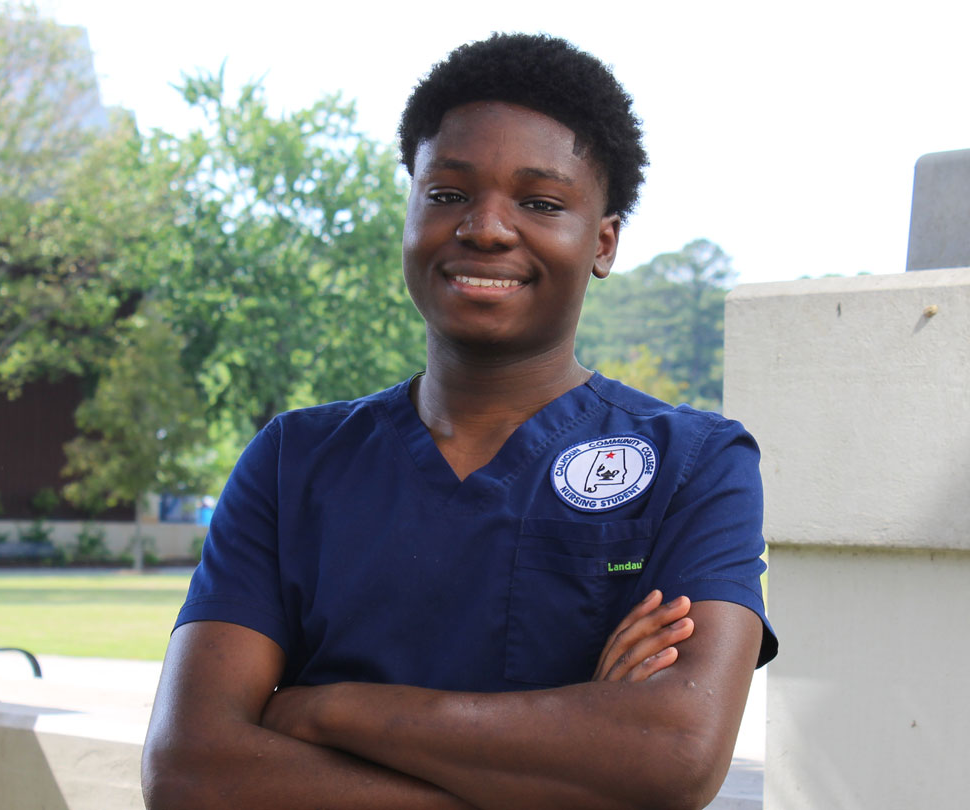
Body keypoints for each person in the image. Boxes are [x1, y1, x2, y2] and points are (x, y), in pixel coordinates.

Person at [143, 33, 777, 810]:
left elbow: (674, 754)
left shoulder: (694, 465)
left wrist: (328, 709)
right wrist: (568, 755)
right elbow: (192, 770)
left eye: (540, 203)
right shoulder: (294, 461)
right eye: (447, 193)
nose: (485, 227)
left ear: (603, 242)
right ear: (410, 209)